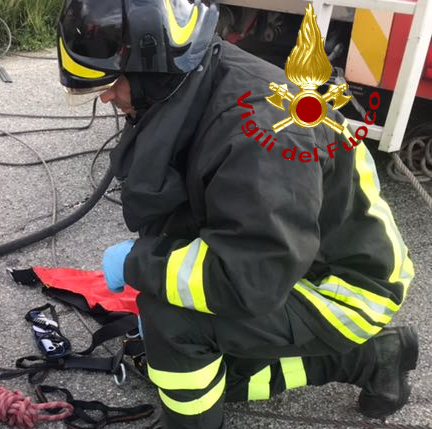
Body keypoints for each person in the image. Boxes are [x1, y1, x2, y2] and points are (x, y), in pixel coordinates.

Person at [56, 1, 418, 428]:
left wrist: (140, 264)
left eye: (113, 81)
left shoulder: (260, 132)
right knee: (193, 366)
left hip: (345, 287)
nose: (106, 95)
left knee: (172, 322)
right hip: (296, 260)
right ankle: (376, 357)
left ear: (152, 67)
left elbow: (248, 277)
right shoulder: (197, 78)